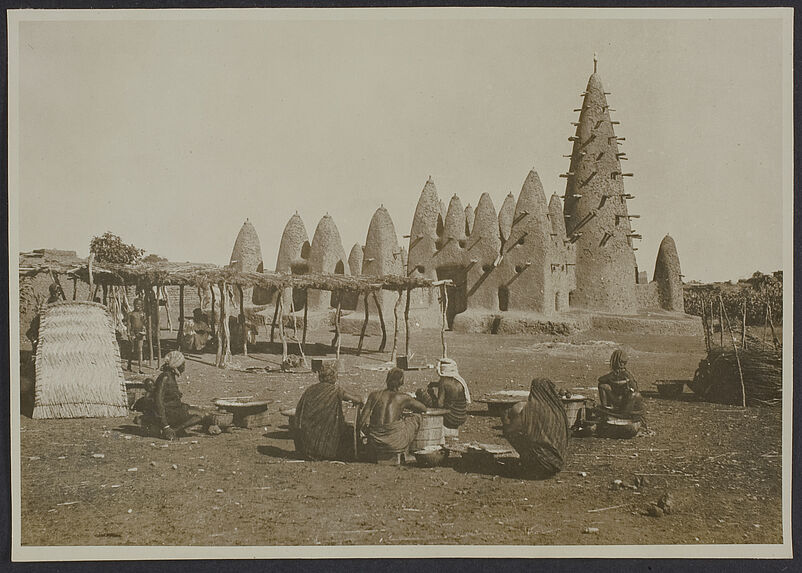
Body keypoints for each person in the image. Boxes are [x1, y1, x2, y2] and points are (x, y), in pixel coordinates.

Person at [293, 362, 364, 461]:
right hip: (324, 447)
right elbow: (357, 400)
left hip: (306, 445)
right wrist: (360, 399)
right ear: (334, 377)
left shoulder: (310, 390)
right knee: (349, 432)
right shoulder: (335, 390)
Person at [501, 378, 569, 479]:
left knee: (511, 432)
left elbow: (511, 429)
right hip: (557, 463)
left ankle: (528, 464)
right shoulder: (558, 409)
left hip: (541, 465)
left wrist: (505, 420)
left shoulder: (530, 409)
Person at [139, 351, 215, 440]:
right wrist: (166, 426)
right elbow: (158, 401)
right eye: (183, 364)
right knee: (203, 415)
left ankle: (175, 428)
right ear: (176, 365)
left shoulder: (170, 376)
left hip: (175, 409)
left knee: (202, 413)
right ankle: (174, 430)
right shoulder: (165, 377)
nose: (184, 366)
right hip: (169, 412)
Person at [357, 368, 427, 462]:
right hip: (395, 442)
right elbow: (423, 408)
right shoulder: (403, 397)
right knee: (417, 417)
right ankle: (408, 451)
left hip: (375, 441)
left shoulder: (374, 395)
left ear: (387, 380)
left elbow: (361, 421)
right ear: (401, 382)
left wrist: (371, 434)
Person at [415, 358, 471, 430]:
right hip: (461, 416)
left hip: (451, 417)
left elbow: (440, 404)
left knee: (421, 392)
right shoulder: (459, 381)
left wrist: (431, 394)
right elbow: (450, 386)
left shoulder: (443, 381)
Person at [597, 349, 644, 419]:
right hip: (620, 400)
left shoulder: (626, 375)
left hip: (628, 403)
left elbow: (634, 390)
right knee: (603, 386)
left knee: (634, 395)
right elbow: (601, 379)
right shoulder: (616, 374)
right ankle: (606, 408)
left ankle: (623, 414)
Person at [126, 298, 147, 373]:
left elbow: (144, 323)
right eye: (137, 304)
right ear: (134, 305)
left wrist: (144, 330)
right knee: (131, 350)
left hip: (140, 334)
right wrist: (128, 334)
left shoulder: (142, 314)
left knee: (140, 351)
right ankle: (129, 365)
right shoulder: (130, 314)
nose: (138, 306)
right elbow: (129, 325)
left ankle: (140, 369)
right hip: (133, 333)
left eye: (140, 304)